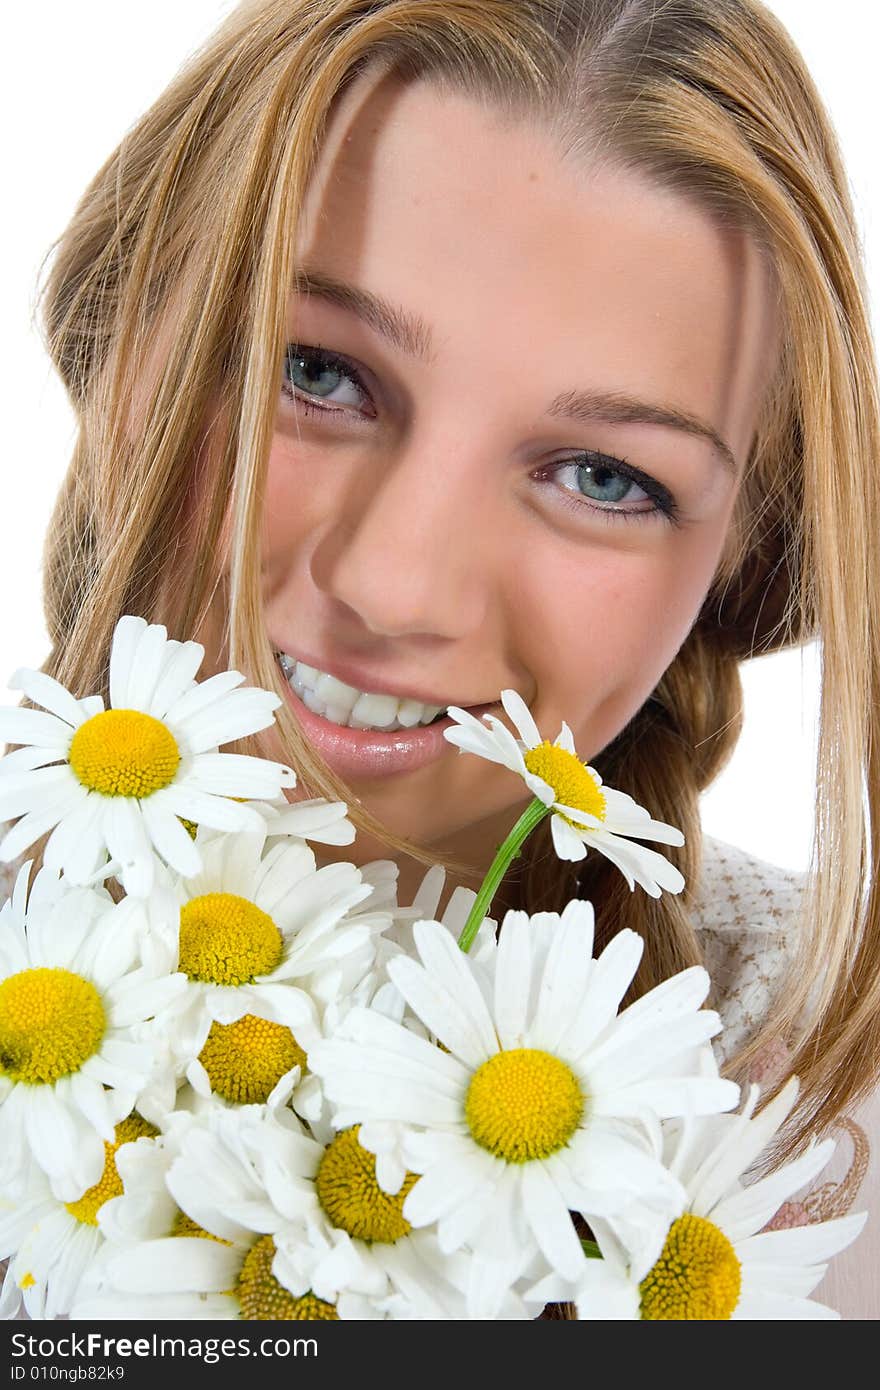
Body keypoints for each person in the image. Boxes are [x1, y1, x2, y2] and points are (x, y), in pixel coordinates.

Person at [4, 0, 880, 1317]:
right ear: (118, 335)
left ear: (740, 567)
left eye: (603, 475)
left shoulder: (817, 1125)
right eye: (316, 370)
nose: (393, 583)